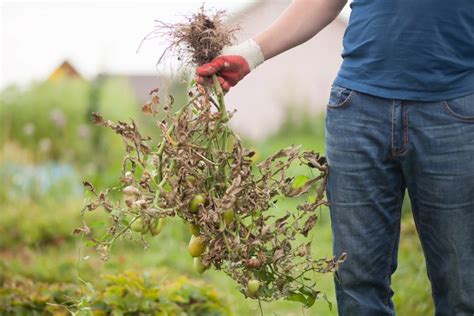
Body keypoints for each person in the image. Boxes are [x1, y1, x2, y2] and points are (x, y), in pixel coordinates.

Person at [195, 0, 474, 315]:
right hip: (358, 111)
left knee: (463, 288)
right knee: (357, 286)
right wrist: (249, 55)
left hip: (455, 110)